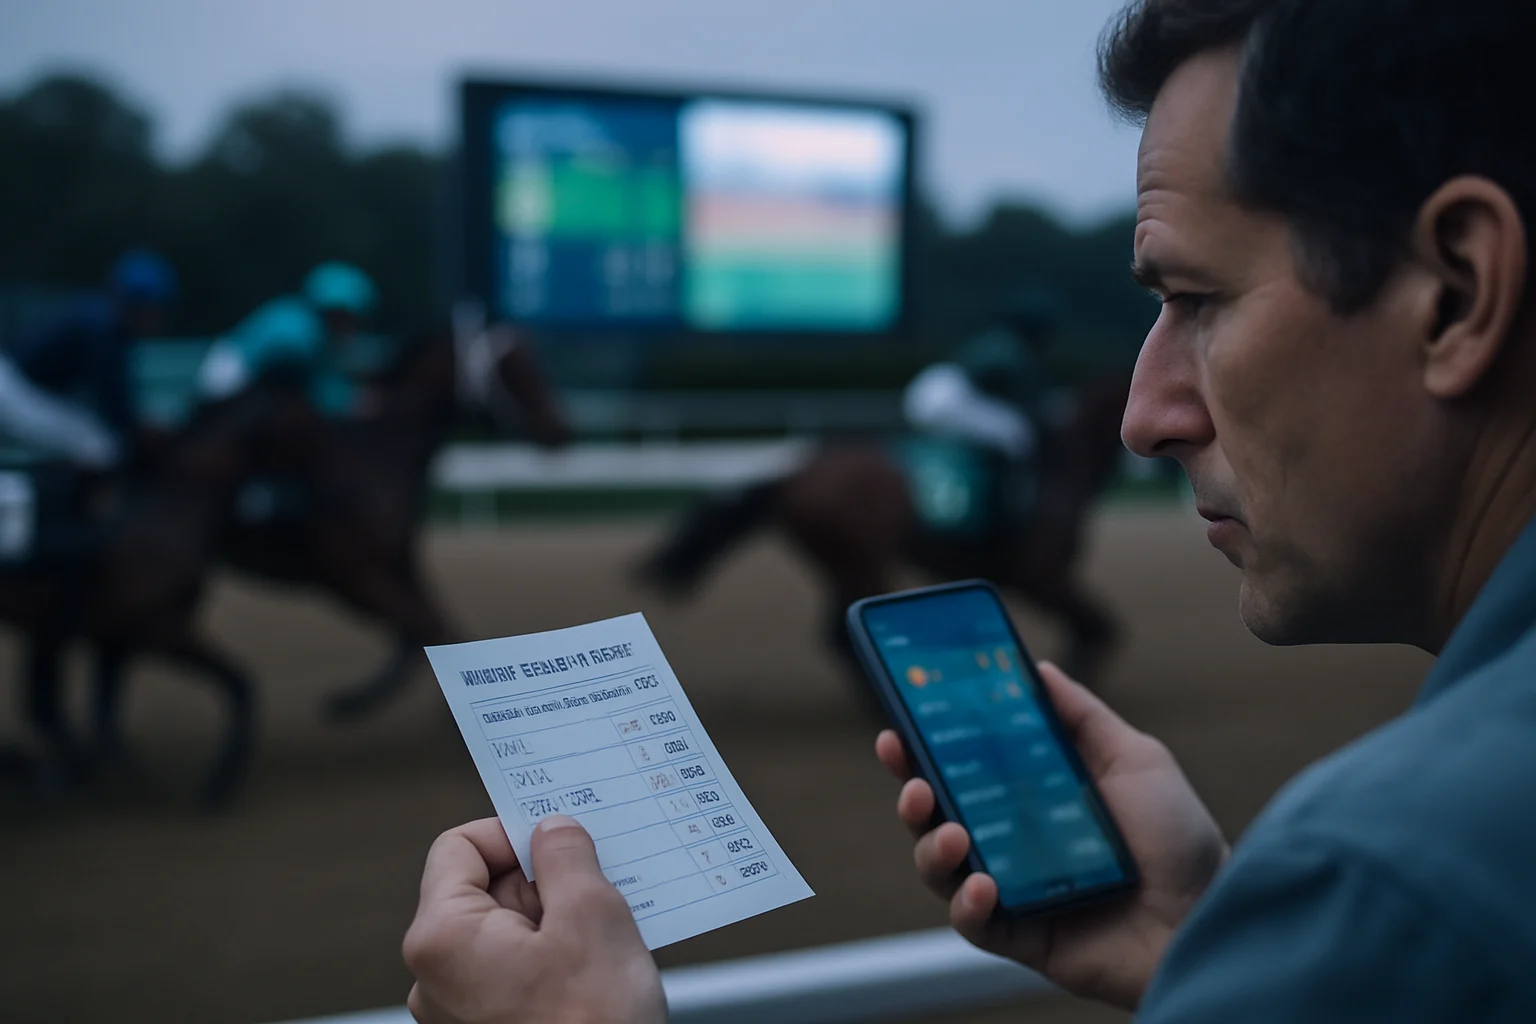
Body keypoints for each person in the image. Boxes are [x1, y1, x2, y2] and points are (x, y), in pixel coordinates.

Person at [402, 0, 1536, 1019]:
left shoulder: (1390, 880)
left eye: (1196, 298)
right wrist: (1211, 950)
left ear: (1458, 291)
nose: (1147, 417)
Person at [901, 291, 1060, 532]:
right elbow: (1020, 400)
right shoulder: (1014, 349)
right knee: (1016, 436)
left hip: (930, 388)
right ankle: (1012, 503)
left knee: (996, 436)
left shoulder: (998, 340)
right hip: (949, 397)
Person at [8, 248, 178, 467]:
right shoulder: (105, 330)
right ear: (139, 306)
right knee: (98, 445)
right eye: (156, 308)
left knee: (94, 437)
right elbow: (114, 407)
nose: (159, 316)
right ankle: (76, 501)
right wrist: (141, 430)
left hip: (27, 386)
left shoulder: (107, 320)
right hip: (17, 390)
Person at [197, 261, 380, 418]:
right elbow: (306, 383)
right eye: (343, 317)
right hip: (233, 389)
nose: (348, 327)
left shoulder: (298, 319)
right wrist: (347, 400)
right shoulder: (300, 333)